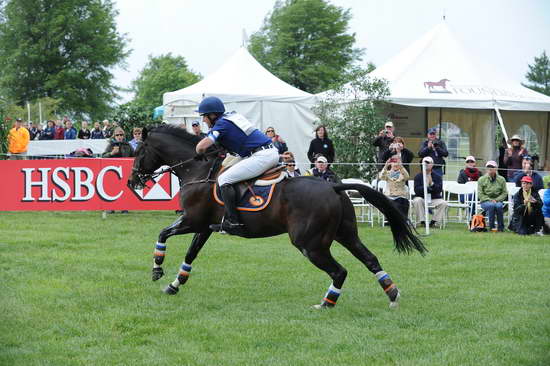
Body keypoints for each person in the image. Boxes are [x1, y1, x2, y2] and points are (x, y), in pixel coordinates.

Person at [195, 96, 279, 235]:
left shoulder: (221, 124)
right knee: (226, 168)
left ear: (213, 115)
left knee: (223, 179)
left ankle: (232, 222)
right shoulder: (231, 116)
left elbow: (201, 147)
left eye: (204, 116)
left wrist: (198, 151)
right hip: (264, 152)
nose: (203, 120)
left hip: (260, 156)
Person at [412, 156, 447, 227]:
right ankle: (422, 222)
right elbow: (417, 190)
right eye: (424, 163)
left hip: (434, 198)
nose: (426, 164)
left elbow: (439, 190)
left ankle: (434, 222)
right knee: (417, 200)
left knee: (443, 203)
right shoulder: (418, 176)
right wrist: (426, 187)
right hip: (422, 198)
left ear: (432, 164)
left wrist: (432, 184)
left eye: (428, 163)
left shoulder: (437, 176)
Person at [478, 160, 508, 232]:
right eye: (488, 167)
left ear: (496, 169)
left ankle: (501, 228)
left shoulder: (501, 179)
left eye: (492, 167)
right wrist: (489, 200)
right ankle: (492, 227)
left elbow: (504, 193)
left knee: (498, 206)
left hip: (498, 200)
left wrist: (497, 200)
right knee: (491, 205)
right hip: (485, 201)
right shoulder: (481, 179)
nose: (490, 169)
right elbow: (480, 193)